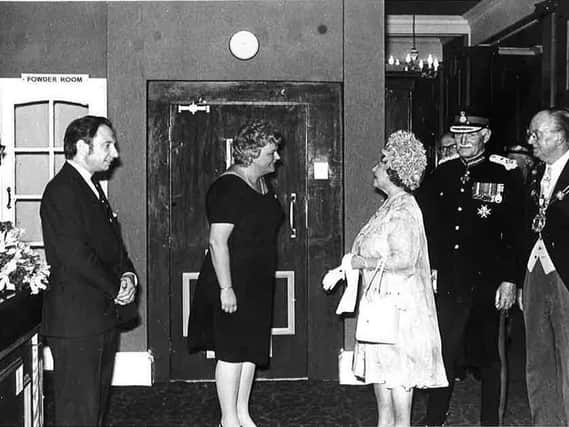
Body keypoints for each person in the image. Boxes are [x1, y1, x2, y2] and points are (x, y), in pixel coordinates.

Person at [327, 130, 447, 427]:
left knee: (398, 394)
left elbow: (404, 260)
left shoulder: (405, 208)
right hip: (382, 310)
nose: (374, 168)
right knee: (383, 391)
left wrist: (360, 262)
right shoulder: (389, 206)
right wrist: (347, 267)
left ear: (395, 170)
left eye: (381, 162)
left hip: (399, 315)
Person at [416, 111, 525, 426]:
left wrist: (510, 280)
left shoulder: (505, 175)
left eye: (471, 134)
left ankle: (490, 420)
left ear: (485, 136)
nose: (463, 140)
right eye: (458, 134)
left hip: (487, 281)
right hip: (449, 278)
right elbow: (430, 226)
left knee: (489, 356)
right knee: (444, 351)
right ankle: (435, 416)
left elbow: (515, 234)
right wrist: (432, 267)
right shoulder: (442, 174)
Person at [40, 115, 138, 426]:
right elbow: (74, 255)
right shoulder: (62, 191)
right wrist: (115, 287)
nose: (115, 153)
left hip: (98, 317)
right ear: (83, 147)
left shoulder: (89, 187)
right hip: (77, 322)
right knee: (78, 413)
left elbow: (112, 246)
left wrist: (128, 276)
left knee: (93, 411)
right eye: (107, 145)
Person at [187, 120, 283, 427]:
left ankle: (242, 413)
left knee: (250, 349)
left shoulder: (261, 183)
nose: (277, 158)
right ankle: (228, 419)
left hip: (255, 281)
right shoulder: (228, 187)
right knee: (230, 351)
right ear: (253, 154)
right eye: (272, 152)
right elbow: (217, 242)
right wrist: (226, 288)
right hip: (231, 281)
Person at [520, 108, 569, 425]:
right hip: (535, 273)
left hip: (565, 275)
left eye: (537, 134)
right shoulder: (535, 173)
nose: (530, 140)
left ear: (561, 137)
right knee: (538, 359)